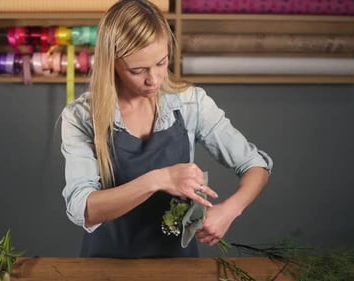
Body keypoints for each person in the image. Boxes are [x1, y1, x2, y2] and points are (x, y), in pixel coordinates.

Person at [60, 0, 273, 258]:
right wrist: (158, 179)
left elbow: (255, 164)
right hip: (105, 263)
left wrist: (229, 210)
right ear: (112, 63)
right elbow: (82, 208)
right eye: (137, 70)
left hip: (177, 265)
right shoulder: (81, 116)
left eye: (161, 63)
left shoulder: (190, 102)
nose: (154, 79)